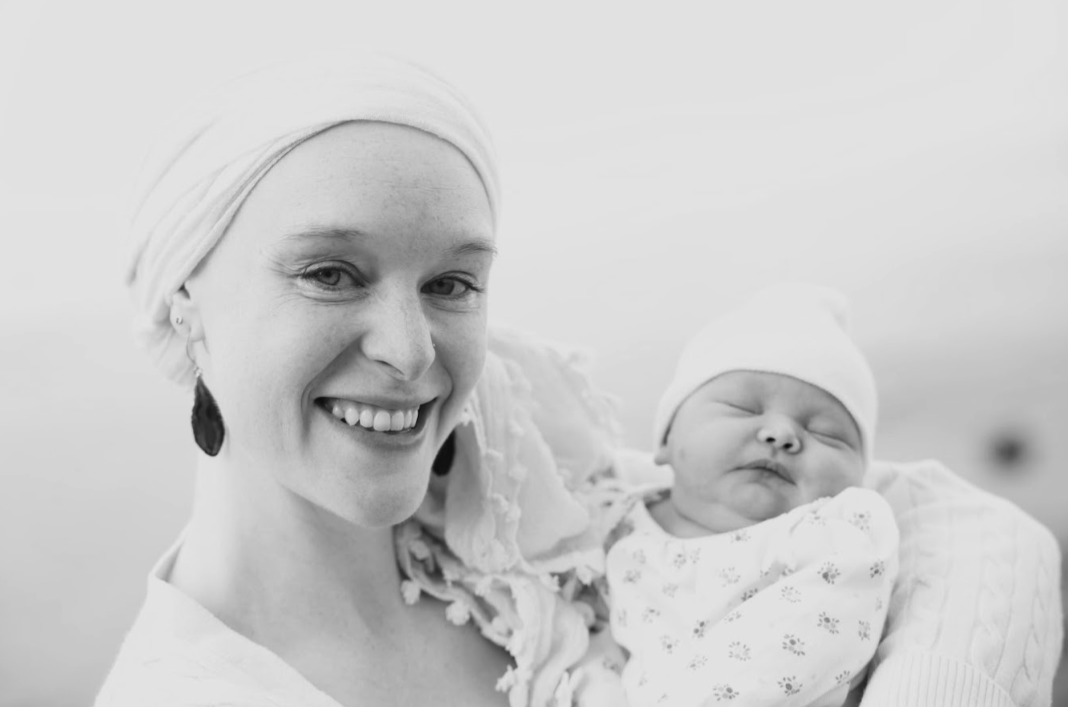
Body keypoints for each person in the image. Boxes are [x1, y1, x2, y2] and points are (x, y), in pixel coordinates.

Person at [96, 52, 1063, 707]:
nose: (412, 350)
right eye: (329, 272)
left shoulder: (510, 471)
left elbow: (970, 531)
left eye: (452, 283)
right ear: (187, 304)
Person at [601, 284, 898, 707]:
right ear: (666, 439)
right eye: (743, 408)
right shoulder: (615, 521)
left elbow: (795, 656)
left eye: (826, 433)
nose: (782, 434)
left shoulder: (839, 537)